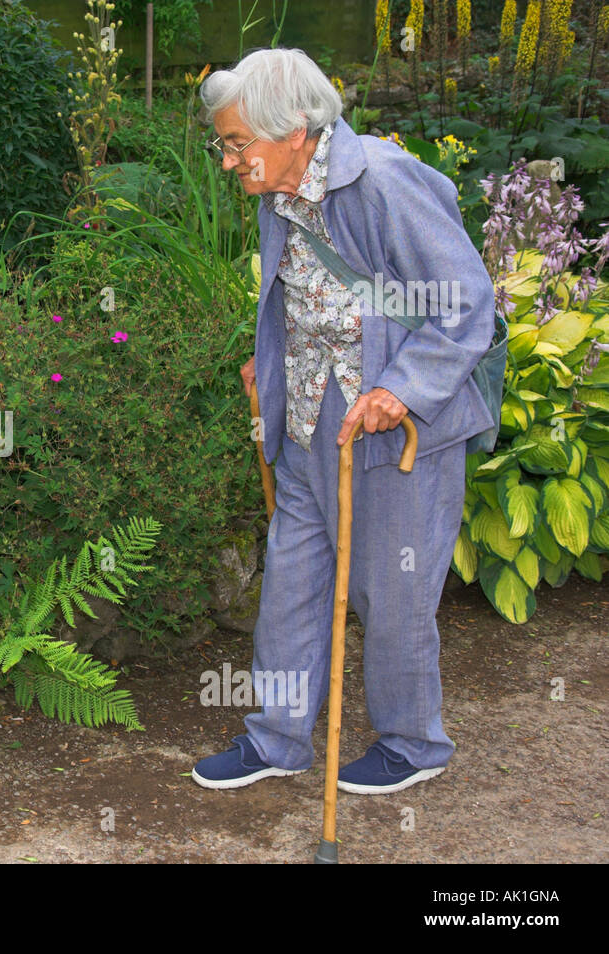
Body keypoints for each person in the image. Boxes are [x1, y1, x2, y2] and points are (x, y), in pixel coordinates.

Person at [190, 48, 495, 794]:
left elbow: (463, 300)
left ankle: (412, 743)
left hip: (395, 434)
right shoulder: (279, 194)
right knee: (292, 584)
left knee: (393, 595)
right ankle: (279, 736)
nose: (230, 162)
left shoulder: (386, 182)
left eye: (238, 144)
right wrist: (270, 360)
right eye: (223, 144)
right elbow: (299, 298)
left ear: (294, 129)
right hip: (306, 420)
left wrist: (404, 389)